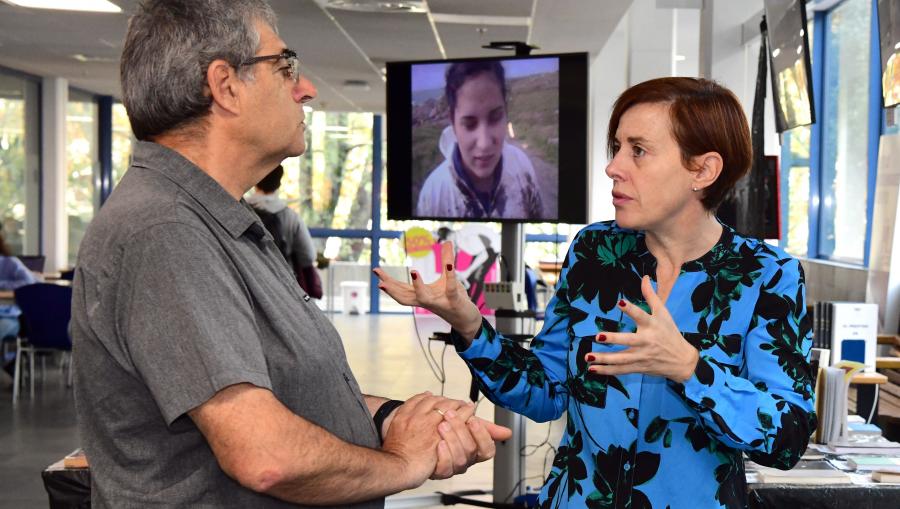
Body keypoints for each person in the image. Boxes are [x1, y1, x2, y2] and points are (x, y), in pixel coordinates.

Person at [70, 1, 510, 507]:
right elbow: (265, 455)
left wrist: (395, 417)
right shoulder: (165, 231)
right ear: (225, 86)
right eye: (284, 68)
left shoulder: (222, 223)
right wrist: (403, 462)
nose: (305, 88)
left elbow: (285, 394)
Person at [376, 77, 817, 508]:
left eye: (638, 151)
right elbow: (546, 391)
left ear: (702, 169)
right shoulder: (594, 252)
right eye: (618, 147)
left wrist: (689, 368)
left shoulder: (767, 276)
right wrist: (468, 322)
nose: (613, 167)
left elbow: (787, 440)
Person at [415, 61, 545, 220]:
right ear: (453, 123)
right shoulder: (433, 194)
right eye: (469, 124)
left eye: (495, 118)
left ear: (506, 113)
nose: (484, 144)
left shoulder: (522, 167)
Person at [247, 164, 320, 297]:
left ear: (255, 181)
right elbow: (308, 256)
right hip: (282, 285)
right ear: (279, 184)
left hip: (247, 281)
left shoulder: (240, 210)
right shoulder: (290, 217)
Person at [0, 231, 37, 377]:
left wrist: (2, 284)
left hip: (8, 315)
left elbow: (29, 282)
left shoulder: (10, 262)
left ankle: (7, 365)